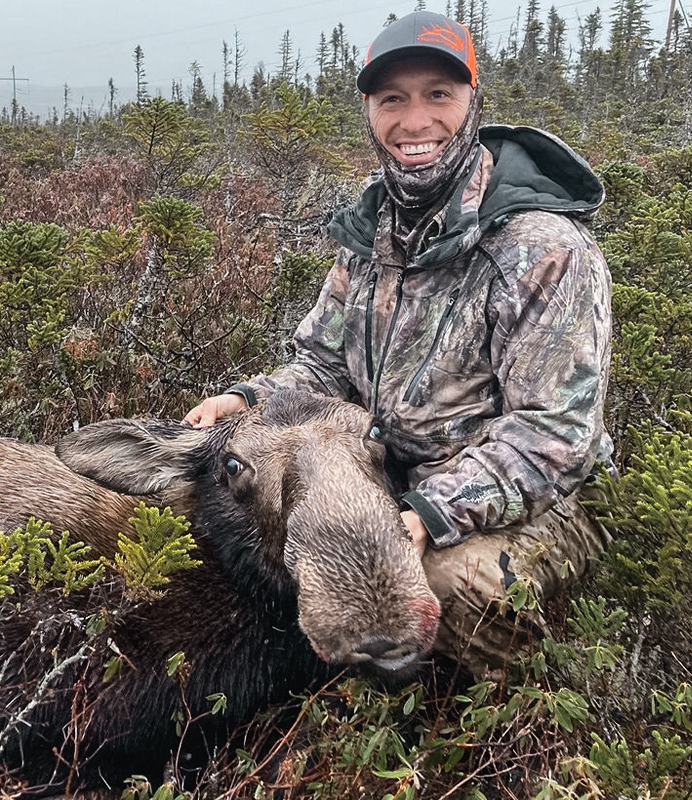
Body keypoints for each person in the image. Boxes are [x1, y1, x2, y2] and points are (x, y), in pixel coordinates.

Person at [184, 10, 614, 679]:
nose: (415, 122)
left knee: (458, 585)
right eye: (394, 99)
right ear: (370, 109)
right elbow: (323, 367)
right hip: (392, 474)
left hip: (537, 498)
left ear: (472, 101)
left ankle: (514, 711)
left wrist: (430, 513)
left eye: (438, 95)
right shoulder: (374, 229)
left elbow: (554, 435)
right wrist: (246, 398)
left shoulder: (542, 249)